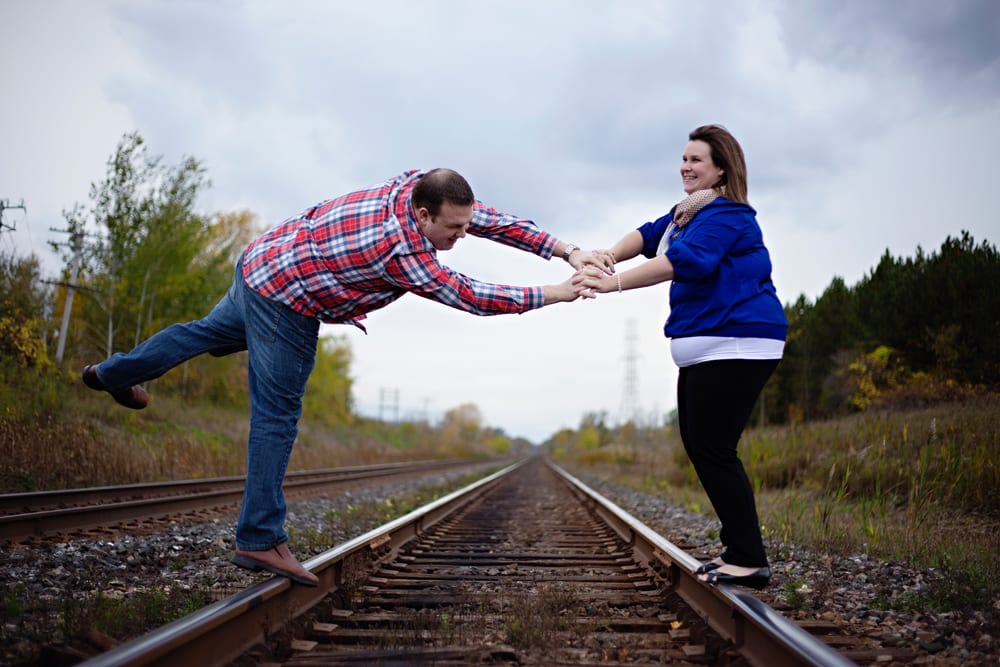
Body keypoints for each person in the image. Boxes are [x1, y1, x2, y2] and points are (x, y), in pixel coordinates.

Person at [82, 168, 613, 586]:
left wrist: (568, 251)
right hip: (286, 296)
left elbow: (495, 220)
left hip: (263, 259)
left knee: (202, 334)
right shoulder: (401, 249)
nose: (461, 234)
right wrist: (555, 292)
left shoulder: (419, 188)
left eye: (463, 223)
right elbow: (470, 295)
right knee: (277, 414)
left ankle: (111, 373)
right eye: (451, 228)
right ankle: (259, 537)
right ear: (423, 216)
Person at [573, 125, 787, 589]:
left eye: (697, 160)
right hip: (708, 347)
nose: (686, 167)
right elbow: (649, 235)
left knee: (714, 448)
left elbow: (686, 261)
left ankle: (749, 558)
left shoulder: (728, 215)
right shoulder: (687, 214)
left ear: (721, 169)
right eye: (684, 159)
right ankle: (739, 551)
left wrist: (614, 283)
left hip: (737, 341)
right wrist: (606, 255)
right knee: (703, 447)